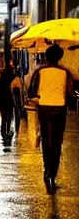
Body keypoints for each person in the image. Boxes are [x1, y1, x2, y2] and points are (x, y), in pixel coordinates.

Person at [28, 44, 74, 193]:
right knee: (57, 142)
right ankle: (53, 175)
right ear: (60, 57)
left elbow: (31, 92)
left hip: (44, 108)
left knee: (46, 141)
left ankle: (47, 171)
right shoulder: (65, 73)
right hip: (60, 109)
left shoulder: (39, 72)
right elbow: (70, 93)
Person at [0, 62, 16, 137]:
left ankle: (3, 131)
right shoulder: (13, 77)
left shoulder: (1, 78)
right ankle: (7, 130)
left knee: (3, 117)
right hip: (9, 100)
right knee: (9, 116)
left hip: (1, 100)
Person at [11, 66, 25, 135]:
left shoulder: (13, 81)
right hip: (18, 101)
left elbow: (11, 91)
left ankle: (17, 128)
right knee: (19, 114)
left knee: (16, 114)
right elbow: (21, 92)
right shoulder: (19, 81)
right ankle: (18, 129)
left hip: (14, 101)